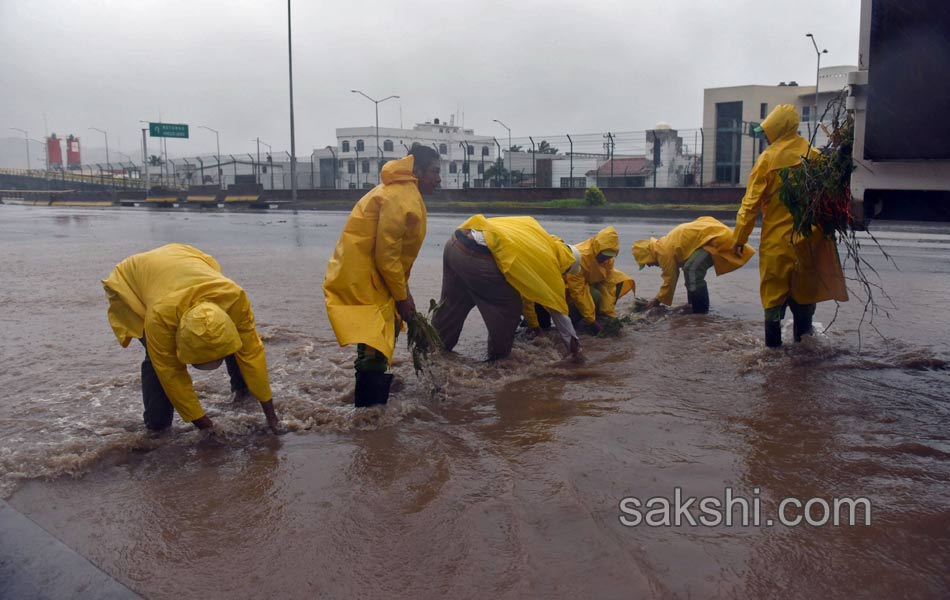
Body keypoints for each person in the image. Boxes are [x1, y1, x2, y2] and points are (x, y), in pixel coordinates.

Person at [102, 243, 279, 433]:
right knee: (156, 361)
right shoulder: (159, 317)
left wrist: (272, 419)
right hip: (131, 282)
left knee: (229, 335)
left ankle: (243, 391)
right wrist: (207, 427)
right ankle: (157, 427)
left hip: (184, 257)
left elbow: (252, 353)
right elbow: (170, 372)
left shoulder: (234, 297)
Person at [323, 144, 441, 407]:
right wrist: (402, 298)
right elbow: (386, 256)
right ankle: (368, 418)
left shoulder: (404, 194)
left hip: (371, 276)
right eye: (434, 171)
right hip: (365, 279)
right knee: (373, 346)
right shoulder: (402, 198)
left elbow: (394, 256)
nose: (439, 178)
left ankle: (371, 411)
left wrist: (404, 292)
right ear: (417, 171)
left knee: (377, 341)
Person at [731, 104, 848, 347]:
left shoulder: (767, 160)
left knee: (773, 301)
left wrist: (739, 239)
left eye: (767, 131)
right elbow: (831, 199)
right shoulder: (814, 156)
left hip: (777, 245)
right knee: (804, 301)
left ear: (775, 129)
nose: (766, 136)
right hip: (810, 242)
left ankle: (772, 355)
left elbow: (749, 205)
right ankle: (803, 355)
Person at [432, 214, 582, 360]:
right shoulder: (550, 268)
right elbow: (559, 314)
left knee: (451, 305)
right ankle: (498, 364)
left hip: (456, 241)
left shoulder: (537, 234)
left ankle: (433, 351)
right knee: (508, 310)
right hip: (479, 258)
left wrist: (535, 326)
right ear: (566, 266)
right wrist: (574, 349)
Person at [632, 216, 754, 313]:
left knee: (691, 269)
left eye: (646, 262)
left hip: (715, 240)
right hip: (711, 237)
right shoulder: (663, 245)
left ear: (649, 255)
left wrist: (657, 301)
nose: (649, 266)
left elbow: (670, 279)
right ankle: (693, 304)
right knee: (689, 270)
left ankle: (700, 310)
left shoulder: (663, 252)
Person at [563, 225, 635, 333]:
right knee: (595, 295)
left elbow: (608, 286)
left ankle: (600, 314)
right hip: (568, 290)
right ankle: (577, 321)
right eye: (604, 255)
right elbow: (578, 291)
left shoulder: (608, 260)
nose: (605, 259)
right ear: (597, 247)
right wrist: (591, 320)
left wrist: (608, 314)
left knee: (619, 279)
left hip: (588, 283)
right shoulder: (580, 257)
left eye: (610, 256)